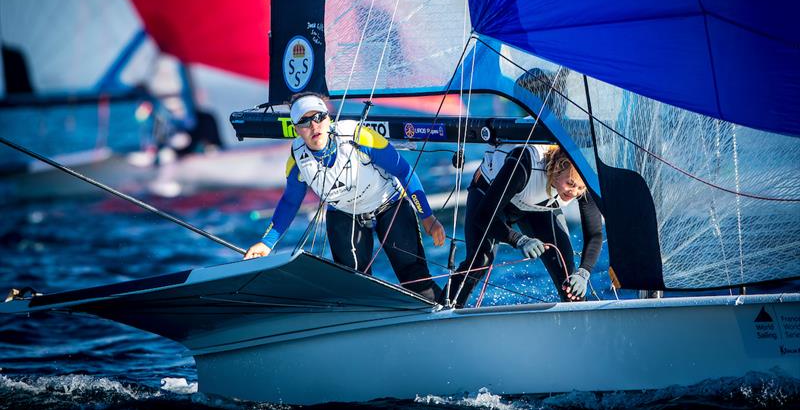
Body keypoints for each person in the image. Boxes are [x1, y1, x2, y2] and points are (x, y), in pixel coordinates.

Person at [244, 92, 445, 302]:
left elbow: (404, 171)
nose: (314, 126)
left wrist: (427, 217)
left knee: (415, 281)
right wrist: (266, 243)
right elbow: (290, 201)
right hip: (344, 213)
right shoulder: (297, 160)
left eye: (319, 117)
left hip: (389, 203)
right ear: (296, 129)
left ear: (328, 118)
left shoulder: (357, 135)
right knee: (357, 287)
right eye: (304, 121)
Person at [447, 144, 603, 307]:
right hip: (489, 198)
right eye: (570, 184)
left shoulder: (583, 180)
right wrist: (520, 240)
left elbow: (595, 233)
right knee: (480, 260)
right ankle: (445, 309)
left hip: (535, 209)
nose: (575, 192)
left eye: (580, 188)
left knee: (568, 276)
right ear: (557, 169)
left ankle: (580, 322)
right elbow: (483, 216)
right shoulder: (525, 164)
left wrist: (584, 272)